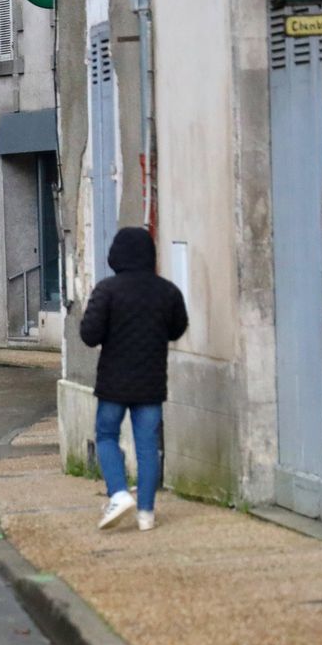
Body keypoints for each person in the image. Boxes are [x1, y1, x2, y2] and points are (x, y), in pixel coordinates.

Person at [79, 227, 188, 531]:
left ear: (116, 255)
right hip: (151, 382)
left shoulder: (107, 290)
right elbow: (178, 329)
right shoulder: (167, 292)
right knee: (147, 447)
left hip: (114, 383)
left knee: (106, 436)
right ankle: (146, 514)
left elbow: (89, 335)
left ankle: (118, 493)